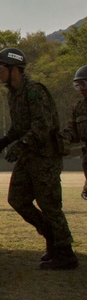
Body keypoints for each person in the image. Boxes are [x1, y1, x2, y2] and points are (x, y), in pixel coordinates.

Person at [0, 48, 78, 270]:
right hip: (29, 157)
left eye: (1, 67)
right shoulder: (13, 94)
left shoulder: (34, 92)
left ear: (14, 69)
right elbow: (20, 127)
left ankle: (65, 253)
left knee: (50, 205)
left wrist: (20, 145)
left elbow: (42, 126)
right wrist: (6, 139)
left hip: (45, 157)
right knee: (17, 199)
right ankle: (50, 236)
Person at [64, 65, 87, 201]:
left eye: (83, 84)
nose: (81, 89)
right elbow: (72, 132)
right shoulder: (79, 108)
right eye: (77, 85)